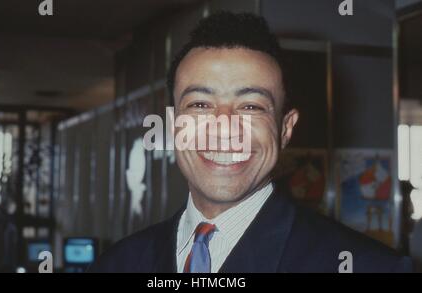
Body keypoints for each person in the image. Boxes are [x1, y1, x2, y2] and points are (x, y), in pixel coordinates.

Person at [88, 11, 412, 273]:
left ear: (285, 128)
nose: (225, 128)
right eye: (200, 104)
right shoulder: (118, 264)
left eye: (251, 107)